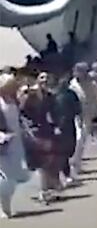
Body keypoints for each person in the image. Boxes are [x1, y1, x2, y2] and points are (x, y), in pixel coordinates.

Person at [18, 73, 64, 204]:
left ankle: (46, 189)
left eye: (47, 78)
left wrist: (56, 125)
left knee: (47, 160)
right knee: (39, 162)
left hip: (46, 130)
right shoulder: (28, 94)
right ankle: (43, 191)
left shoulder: (49, 96)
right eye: (42, 78)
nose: (45, 80)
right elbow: (21, 111)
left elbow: (54, 112)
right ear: (37, 80)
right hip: (32, 131)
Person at [0, 74, 31, 219]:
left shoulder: (14, 100)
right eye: (10, 85)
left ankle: (6, 204)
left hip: (16, 142)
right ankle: (3, 208)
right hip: (3, 143)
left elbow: (20, 117)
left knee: (13, 176)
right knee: (4, 178)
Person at [50, 76, 82, 187]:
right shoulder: (53, 96)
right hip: (59, 125)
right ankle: (63, 175)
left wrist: (78, 116)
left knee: (70, 149)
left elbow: (78, 107)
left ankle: (64, 174)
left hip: (70, 124)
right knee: (62, 152)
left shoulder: (71, 94)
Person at [69, 62, 97, 175]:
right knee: (78, 138)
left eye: (80, 71)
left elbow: (96, 98)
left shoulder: (92, 84)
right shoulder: (72, 84)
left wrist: (94, 114)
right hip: (75, 114)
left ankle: (77, 163)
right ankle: (73, 162)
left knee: (82, 139)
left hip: (87, 114)